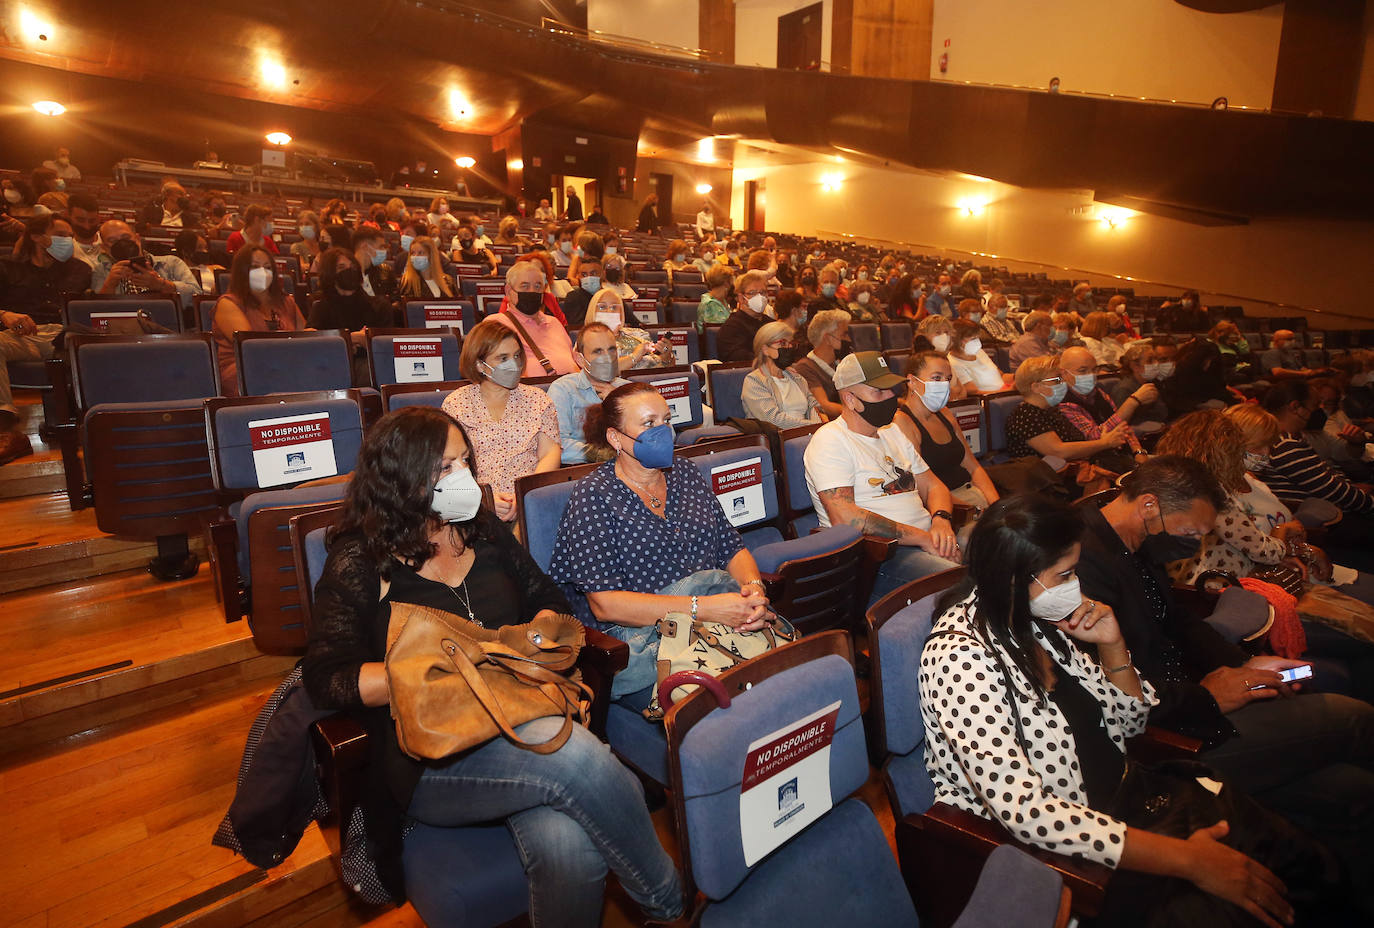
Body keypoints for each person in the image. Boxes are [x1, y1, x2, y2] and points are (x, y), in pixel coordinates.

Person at [301, 407, 683, 927]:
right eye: (444, 469)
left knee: (568, 843)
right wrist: (440, 672)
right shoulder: (362, 560)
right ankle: (671, 907)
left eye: (465, 461)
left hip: (522, 708)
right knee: (575, 754)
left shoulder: (480, 529)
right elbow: (326, 677)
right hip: (436, 752)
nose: (463, 477)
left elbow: (547, 598)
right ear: (400, 477)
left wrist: (535, 635)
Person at [923, 494, 1352, 928]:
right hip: (1078, 853)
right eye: (1066, 574)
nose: (1076, 587)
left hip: (1137, 800)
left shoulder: (1032, 619)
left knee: (1305, 863)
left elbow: (1130, 721)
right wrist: (1187, 861)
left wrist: (1112, 645)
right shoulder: (960, 657)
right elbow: (1026, 812)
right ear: (1013, 578)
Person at [1075, 456, 1374, 915]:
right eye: (1191, 533)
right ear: (1150, 506)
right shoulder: (1082, 562)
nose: (1193, 544)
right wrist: (1210, 696)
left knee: (1351, 790)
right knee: (1354, 716)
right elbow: (1110, 694)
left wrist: (1247, 662)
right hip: (1169, 737)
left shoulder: (1135, 543)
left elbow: (1179, 624)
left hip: (1193, 701)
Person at [549, 383, 773, 704]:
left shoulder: (686, 472)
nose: (663, 431)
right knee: (738, 703)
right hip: (646, 643)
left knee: (784, 675)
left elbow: (730, 545)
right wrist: (704, 610)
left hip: (718, 616)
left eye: (666, 420)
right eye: (649, 423)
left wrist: (753, 589)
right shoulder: (593, 496)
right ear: (616, 438)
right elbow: (605, 604)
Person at [805, 351, 959, 603]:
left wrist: (942, 521)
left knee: (1004, 551)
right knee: (961, 582)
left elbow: (933, 485)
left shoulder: (892, 432)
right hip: (879, 555)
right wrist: (925, 539)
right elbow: (847, 518)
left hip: (926, 538)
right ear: (850, 399)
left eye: (891, 389)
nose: (890, 398)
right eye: (878, 392)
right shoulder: (830, 440)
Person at [442, 319, 560, 522]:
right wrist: (482, 499)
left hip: (529, 502)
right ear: (480, 364)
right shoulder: (456, 404)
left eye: (516, 356)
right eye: (502, 358)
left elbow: (550, 453)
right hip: (475, 506)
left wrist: (525, 494)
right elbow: (449, 467)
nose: (513, 364)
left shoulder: (538, 399)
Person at [1007, 355, 1131, 492]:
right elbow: (1057, 450)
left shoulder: (1052, 410)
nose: (1063, 382)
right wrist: (1105, 443)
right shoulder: (1025, 414)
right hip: (1049, 484)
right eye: (1057, 379)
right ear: (1036, 387)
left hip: (1074, 475)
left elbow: (1080, 440)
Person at [893, 352, 999, 512]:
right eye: (936, 378)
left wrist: (996, 505)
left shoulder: (945, 413)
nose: (944, 384)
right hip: (946, 506)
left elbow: (972, 465)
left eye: (948, 379)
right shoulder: (902, 421)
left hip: (972, 494)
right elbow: (922, 487)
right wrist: (971, 511)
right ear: (912, 381)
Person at [1259, 380, 1374, 515]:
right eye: (1315, 405)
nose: (1321, 409)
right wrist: (1368, 500)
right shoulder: (1286, 445)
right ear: (1295, 407)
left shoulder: (1289, 437)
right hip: (1328, 520)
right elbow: (1333, 492)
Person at [211, 246, 308, 397]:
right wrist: (292, 345)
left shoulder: (286, 301)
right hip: (243, 371)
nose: (262, 272)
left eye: (268, 267)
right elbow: (251, 347)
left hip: (286, 366)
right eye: (255, 267)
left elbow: (306, 337)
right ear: (242, 271)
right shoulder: (228, 303)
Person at [549, 323, 631, 465]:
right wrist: (596, 454)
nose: (607, 357)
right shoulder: (563, 390)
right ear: (580, 359)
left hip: (627, 469)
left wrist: (618, 402)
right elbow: (555, 445)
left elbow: (662, 433)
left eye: (611, 349)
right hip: (581, 470)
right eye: (598, 351)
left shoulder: (628, 389)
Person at [1058, 347, 1147, 468]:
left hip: (1123, 456)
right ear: (1064, 373)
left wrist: (1138, 451)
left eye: (1094, 370)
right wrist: (1131, 403)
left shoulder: (1099, 392)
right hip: (1096, 465)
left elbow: (1123, 427)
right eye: (1083, 371)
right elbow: (1093, 437)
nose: (1090, 375)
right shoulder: (1062, 403)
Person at [88, 219, 201, 310]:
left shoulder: (171, 263)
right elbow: (97, 312)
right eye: (112, 241)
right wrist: (110, 285)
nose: (122, 244)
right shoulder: (101, 271)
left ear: (137, 238)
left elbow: (197, 296)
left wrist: (162, 284)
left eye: (126, 238)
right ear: (104, 249)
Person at [0, 214, 91, 325]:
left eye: (70, 237)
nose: (67, 241)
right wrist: (4, 315)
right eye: (60, 235)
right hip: (17, 333)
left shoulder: (80, 270)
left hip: (62, 334)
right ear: (36, 236)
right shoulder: (6, 267)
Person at [742, 321, 824, 429]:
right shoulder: (754, 381)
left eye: (791, 343)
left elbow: (814, 406)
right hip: (778, 439)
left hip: (806, 435)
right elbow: (773, 420)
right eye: (783, 343)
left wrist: (821, 427)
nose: (789, 348)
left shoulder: (796, 377)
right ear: (765, 350)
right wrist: (812, 426)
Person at [593, 289, 674, 371]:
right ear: (593, 311)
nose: (609, 311)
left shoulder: (639, 334)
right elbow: (602, 371)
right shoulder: (589, 339)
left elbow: (667, 369)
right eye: (602, 307)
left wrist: (666, 356)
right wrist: (635, 356)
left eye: (614, 307)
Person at [793, 309, 850, 420]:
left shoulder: (841, 364)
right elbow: (823, 405)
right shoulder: (805, 368)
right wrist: (859, 412)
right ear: (828, 338)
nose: (848, 339)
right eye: (844, 335)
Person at [716, 270, 772, 364]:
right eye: (752, 292)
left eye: (763, 292)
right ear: (741, 298)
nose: (759, 297)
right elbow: (739, 358)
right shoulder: (731, 328)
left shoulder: (771, 323)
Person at [947, 319, 1012, 396]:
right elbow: (975, 393)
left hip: (1004, 392)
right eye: (973, 339)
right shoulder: (954, 363)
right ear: (958, 340)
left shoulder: (978, 352)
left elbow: (1001, 375)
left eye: (977, 338)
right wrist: (1008, 391)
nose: (977, 341)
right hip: (990, 399)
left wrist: (1017, 379)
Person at [1111, 342, 1169, 424]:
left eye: (1156, 359)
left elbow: (1162, 412)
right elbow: (1124, 422)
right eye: (1150, 361)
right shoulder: (1124, 389)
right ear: (1135, 366)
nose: (1156, 363)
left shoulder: (1151, 383)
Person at [395, 236, 454, 302]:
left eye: (421, 253)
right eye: (413, 253)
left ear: (431, 255)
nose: (415, 256)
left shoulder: (448, 281)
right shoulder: (407, 282)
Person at [1261, 329, 1333, 381]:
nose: (1292, 341)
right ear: (1276, 341)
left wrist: (1314, 372)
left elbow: (1301, 368)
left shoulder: (1289, 353)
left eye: (1293, 339)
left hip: (1297, 380)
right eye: (1289, 339)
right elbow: (1277, 372)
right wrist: (1303, 374)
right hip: (1283, 383)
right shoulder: (1272, 353)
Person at [351, 228, 396, 303]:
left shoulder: (385, 271)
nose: (385, 251)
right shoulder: (346, 274)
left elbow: (394, 300)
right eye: (381, 247)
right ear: (365, 247)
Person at [66, 191, 103, 267]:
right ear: (69, 216)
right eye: (80, 220)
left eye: (92, 221)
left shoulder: (108, 242)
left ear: (99, 218)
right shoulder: (63, 247)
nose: (87, 226)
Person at [289, 210, 322, 276]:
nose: (304, 227)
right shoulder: (296, 247)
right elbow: (302, 268)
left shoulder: (323, 245)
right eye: (301, 224)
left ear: (316, 226)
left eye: (307, 224)